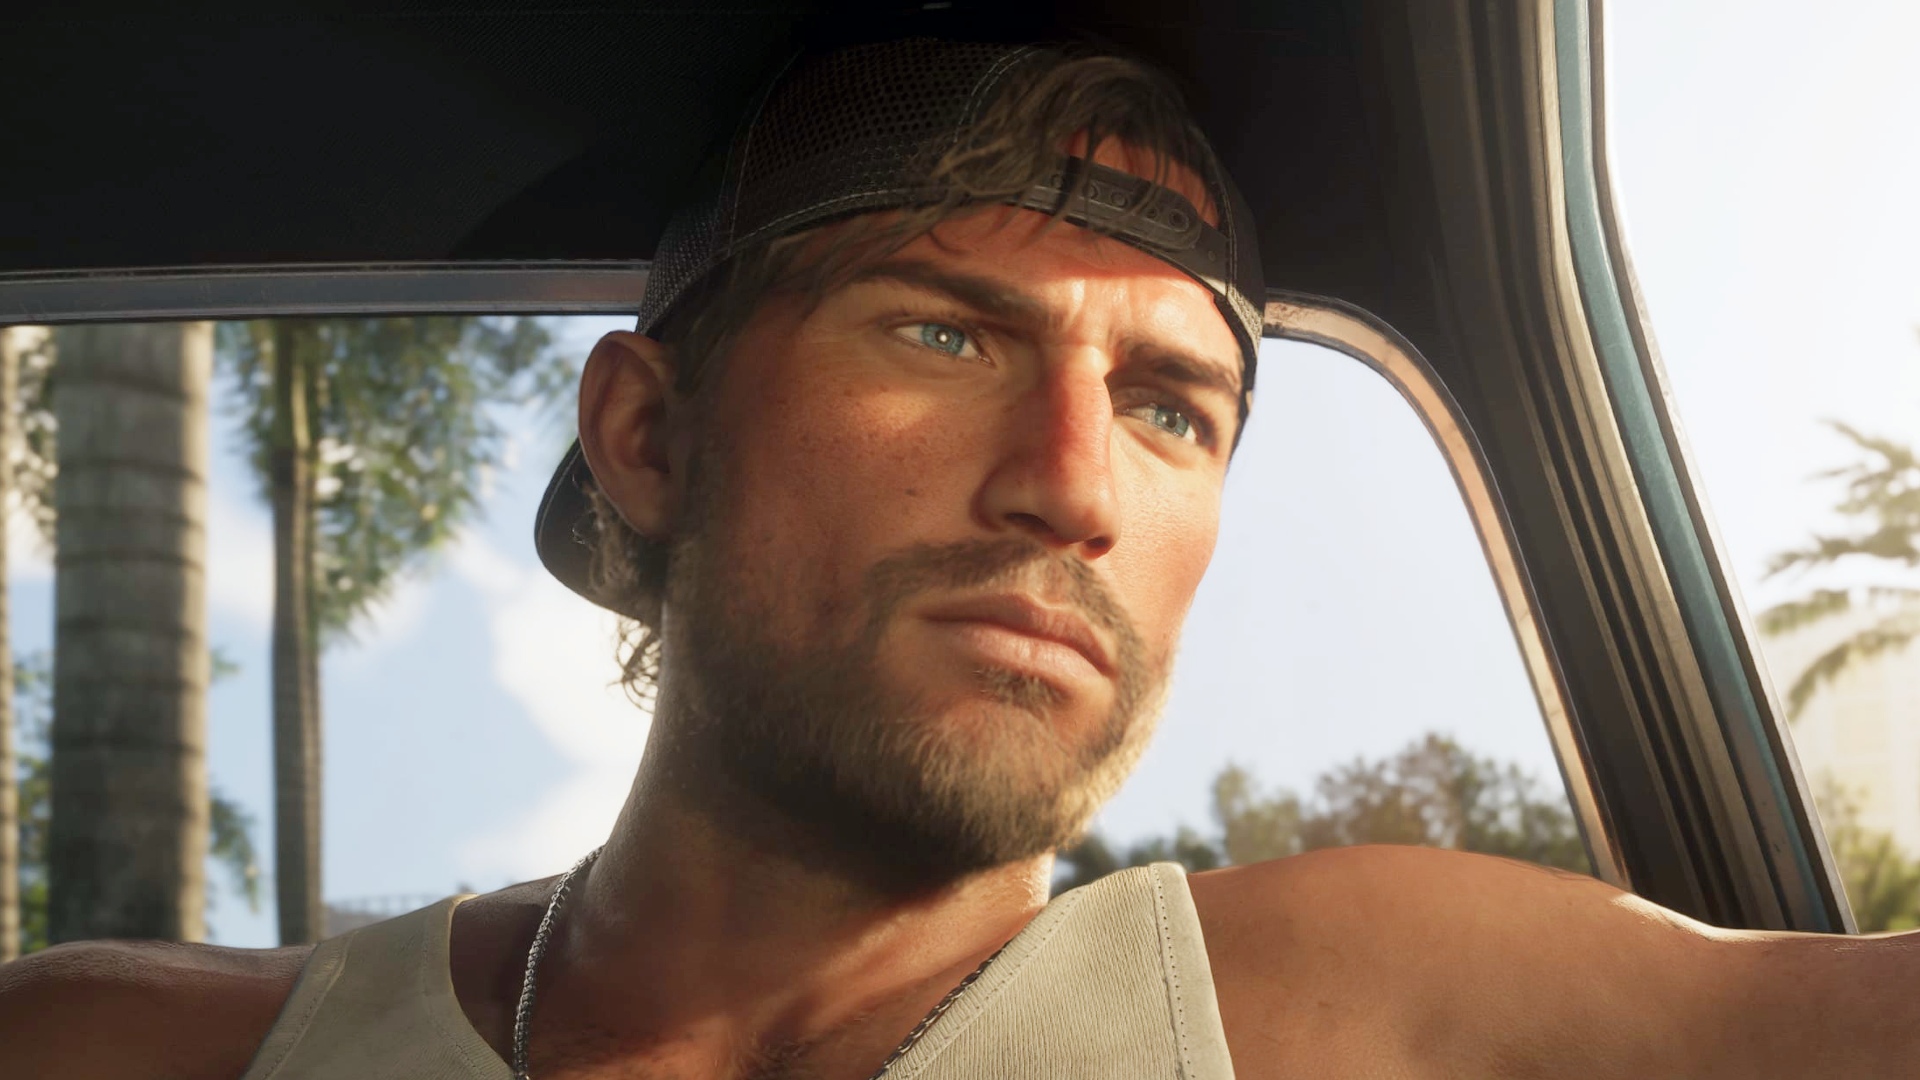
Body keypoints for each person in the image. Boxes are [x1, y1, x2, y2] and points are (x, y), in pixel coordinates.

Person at [3, 34, 1916, 1080]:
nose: (1074, 486)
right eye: (945, 334)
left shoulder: (1393, 1007)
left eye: (1171, 407)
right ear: (649, 436)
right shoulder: (124, 1053)